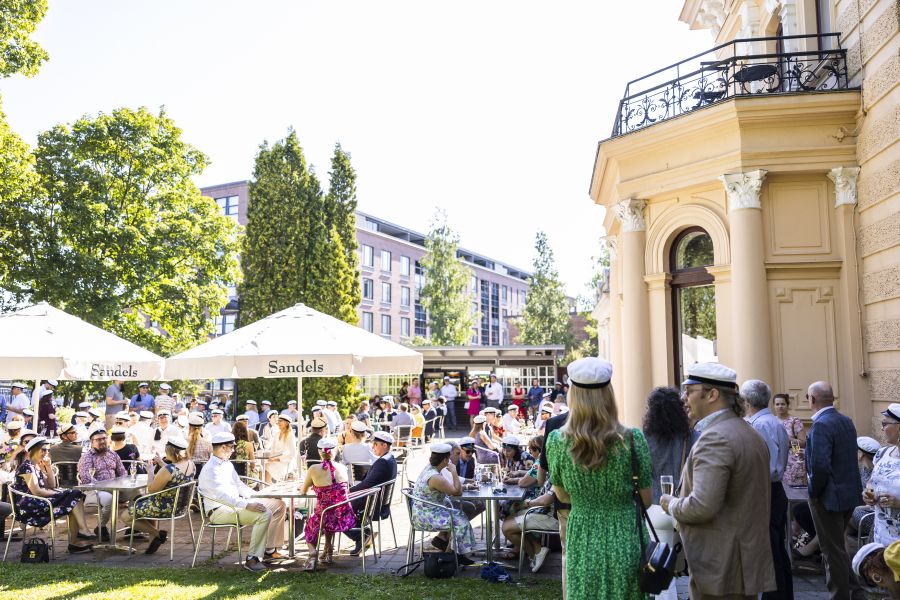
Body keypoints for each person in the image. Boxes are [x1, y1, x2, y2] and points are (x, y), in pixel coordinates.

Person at [660, 363, 775, 599]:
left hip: (721, 568)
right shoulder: (746, 430)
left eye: (689, 391)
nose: (684, 398)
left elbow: (702, 506)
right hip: (739, 564)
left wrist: (670, 504)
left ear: (712, 395)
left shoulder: (716, 437)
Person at [545, 357, 651, 600]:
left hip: (583, 531)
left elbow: (561, 495)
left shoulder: (556, 442)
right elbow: (646, 499)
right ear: (609, 395)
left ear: (573, 395)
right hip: (626, 534)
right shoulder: (633, 439)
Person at [805, 380, 863, 599]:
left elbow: (820, 465)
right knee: (838, 549)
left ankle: (841, 595)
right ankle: (855, 593)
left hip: (828, 497)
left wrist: (813, 492)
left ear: (812, 399)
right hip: (848, 495)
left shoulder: (820, 425)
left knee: (832, 552)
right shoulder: (846, 421)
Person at [198, 432, 286, 571]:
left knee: (278, 505)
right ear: (223, 448)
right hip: (219, 510)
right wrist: (247, 504)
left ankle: (269, 549)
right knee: (264, 514)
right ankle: (252, 559)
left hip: (233, 505)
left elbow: (239, 485)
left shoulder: (226, 464)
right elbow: (222, 497)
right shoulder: (210, 469)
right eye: (231, 447)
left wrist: (261, 496)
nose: (233, 450)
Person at [641, 386, 697, 600]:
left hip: (653, 507)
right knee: (691, 567)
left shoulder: (643, 437)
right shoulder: (691, 436)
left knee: (660, 565)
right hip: (684, 504)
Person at [742, 379, 792, 600]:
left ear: (748, 401)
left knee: (771, 549)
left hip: (767, 490)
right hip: (773, 490)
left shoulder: (761, 425)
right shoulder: (770, 422)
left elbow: (769, 466)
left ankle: (776, 597)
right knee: (776, 548)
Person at [12, 436, 94, 553]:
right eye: (43, 450)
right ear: (33, 450)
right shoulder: (26, 467)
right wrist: (58, 494)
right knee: (74, 495)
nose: (46, 452)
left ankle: (75, 540)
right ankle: (81, 532)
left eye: (48, 450)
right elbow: (37, 491)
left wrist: (48, 466)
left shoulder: (35, 466)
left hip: (37, 501)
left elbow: (51, 485)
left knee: (75, 498)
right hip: (30, 506)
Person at [124, 437, 195, 554]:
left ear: (170, 451)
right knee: (142, 502)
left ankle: (157, 534)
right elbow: (176, 475)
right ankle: (154, 539)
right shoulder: (191, 464)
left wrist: (150, 472)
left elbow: (151, 490)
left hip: (165, 507)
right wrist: (162, 463)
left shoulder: (168, 470)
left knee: (125, 516)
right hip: (181, 507)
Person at [410, 443, 476, 565]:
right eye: (449, 458)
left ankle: (453, 551)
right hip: (425, 516)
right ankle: (457, 555)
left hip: (424, 511)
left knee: (459, 514)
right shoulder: (435, 477)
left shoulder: (429, 469)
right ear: (445, 460)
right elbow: (457, 492)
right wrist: (454, 472)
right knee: (461, 522)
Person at [300, 438, 356, 570]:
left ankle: (313, 553)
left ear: (320, 452)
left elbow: (303, 491)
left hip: (323, 514)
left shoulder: (314, 469)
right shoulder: (342, 467)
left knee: (309, 528)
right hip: (341, 515)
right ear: (335, 451)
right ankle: (328, 551)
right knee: (329, 515)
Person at [345, 431, 397, 555]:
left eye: (375, 444)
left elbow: (367, 484)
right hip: (376, 499)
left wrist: (348, 492)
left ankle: (360, 535)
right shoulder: (390, 458)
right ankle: (363, 532)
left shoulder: (383, 462)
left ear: (384, 445)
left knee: (337, 509)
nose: (372, 447)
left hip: (372, 503)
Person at [78, 428, 129, 541]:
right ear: (92, 442)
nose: (102, 441)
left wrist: (122, 485)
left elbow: (123, 473)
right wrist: (109, 488)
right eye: (98, 439)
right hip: (94, 490)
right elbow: (87, 479)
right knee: (109, 499)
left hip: (116, 488)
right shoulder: (87, 457)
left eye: (104, 438)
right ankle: (101, 527)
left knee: (138, 495)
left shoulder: (113, 454)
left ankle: (132, 526)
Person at [864, 403, 900, 547]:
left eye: (885, 423)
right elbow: (872, 481)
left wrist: (898, 503)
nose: (882, 428)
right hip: (881, 533)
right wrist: (869, 493)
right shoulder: (882, 453)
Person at [265, 415, 297, 483]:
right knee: (265, 466)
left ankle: (269, 488)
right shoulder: (277, 434)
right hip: (275, 461)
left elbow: (292, 454)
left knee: (266, 467)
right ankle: (268, 488)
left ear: (286, 423)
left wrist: (278, 459)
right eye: (278, 421)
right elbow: (272, 450)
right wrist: (271, 458)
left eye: (280, 421)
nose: (278, 423)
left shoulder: (290, 435)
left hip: (285, 463)